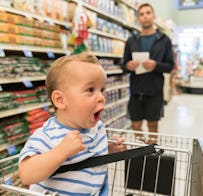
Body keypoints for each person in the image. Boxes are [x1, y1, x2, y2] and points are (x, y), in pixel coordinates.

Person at [18, 53, 126, 196]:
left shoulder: (97, 127)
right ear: (60, 100)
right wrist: (61, 151)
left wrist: (111, 150)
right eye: (90, 90)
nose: (101, 97)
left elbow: (91, 156)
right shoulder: (48, 136)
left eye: (102, 90)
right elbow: (26, 174)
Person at [121, 3, 175, 143]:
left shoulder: (164, 40)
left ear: (153, 16)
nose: (145, 16)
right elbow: (123, 64)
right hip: (136, 90)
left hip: (154, 90)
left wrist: (156, 65)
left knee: (153, 125)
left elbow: (170, 66)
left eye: (148, 13)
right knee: (135, 124)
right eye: (142, 14)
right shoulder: (132, 40)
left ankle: (151, 151)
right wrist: (128, 65)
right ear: (138, 18)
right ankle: (143, 146)